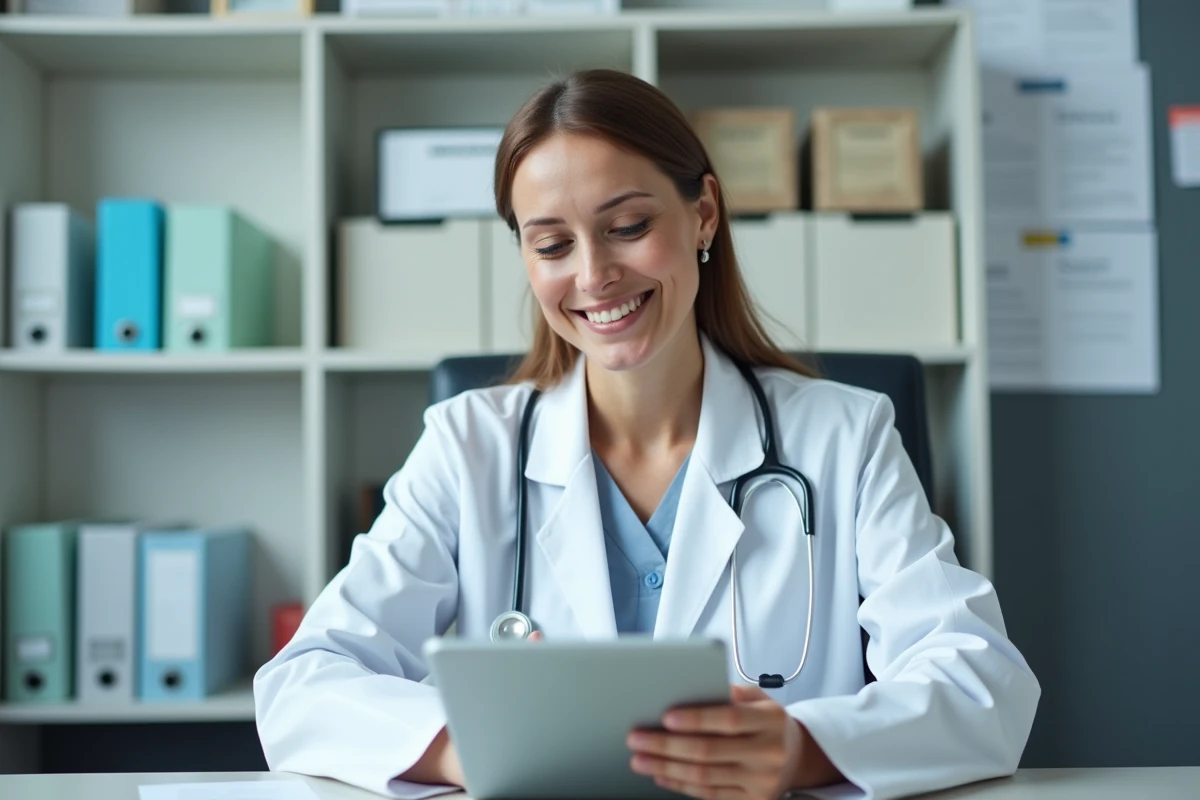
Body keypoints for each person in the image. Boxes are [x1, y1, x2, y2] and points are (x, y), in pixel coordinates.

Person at [254, 69, 1040, 800]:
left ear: (703, 212)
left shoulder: (846, 436)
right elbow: (302, 684)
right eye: (553, 244)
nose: (594, 276)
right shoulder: (469, 446)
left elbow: (984, 683)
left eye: (627, 226)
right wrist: (473, 746)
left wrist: (801, 747)